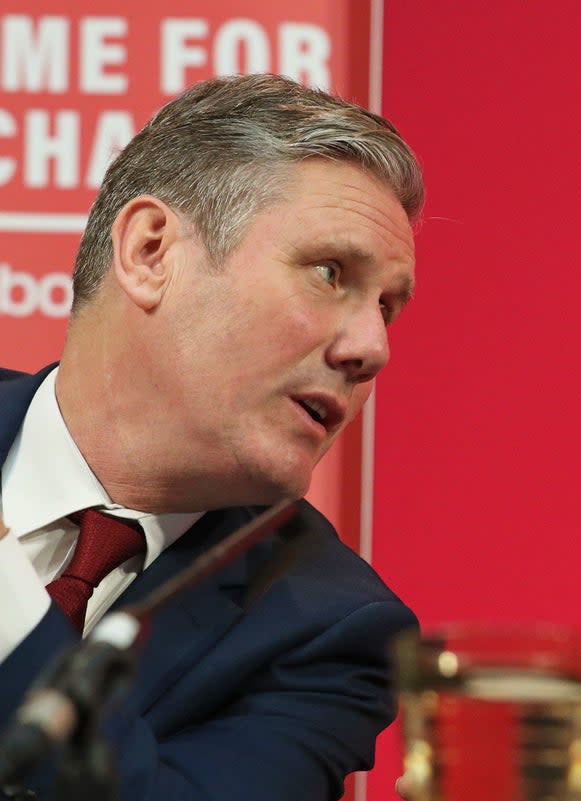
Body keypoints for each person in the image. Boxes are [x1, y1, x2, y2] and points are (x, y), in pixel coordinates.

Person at [0, 74, 422, 800]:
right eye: (330, 273)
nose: (373, 346)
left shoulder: (331, 632)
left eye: (387, 306)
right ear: (151, 250)